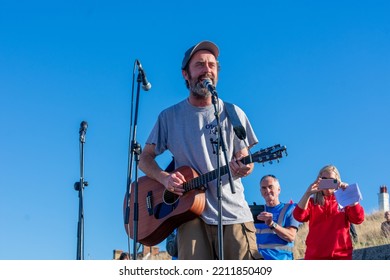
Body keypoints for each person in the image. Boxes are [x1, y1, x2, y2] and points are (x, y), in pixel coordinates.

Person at [138, 40, 262, 260]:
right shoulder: (169, 117)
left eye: (212, 65)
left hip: (233, 214)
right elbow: (144, 159)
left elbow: (246, 160)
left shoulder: (234, 113)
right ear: (186, 74)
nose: (207, 70)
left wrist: (244, 166)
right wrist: (164, 178)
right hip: (190, 215)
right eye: (200, 65)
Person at [293, 164, 365, 260]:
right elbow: (298, 216)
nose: (328, 183)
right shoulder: (312, 202)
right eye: (324, 179)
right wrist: (307, 193)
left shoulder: (344, 201)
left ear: (338, 181)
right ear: (319, 180)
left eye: (332, 180)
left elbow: (358, 219)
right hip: (314, 257)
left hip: (341, 257)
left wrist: (349, 194)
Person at [255, 175, 300, 260]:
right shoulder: (256, 212)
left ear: (279, 189)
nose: (267, 190)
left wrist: (272, 224)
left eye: (270, 187)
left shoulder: (289, 209)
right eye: (264, 188)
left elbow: (291, 236)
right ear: (260, 191)